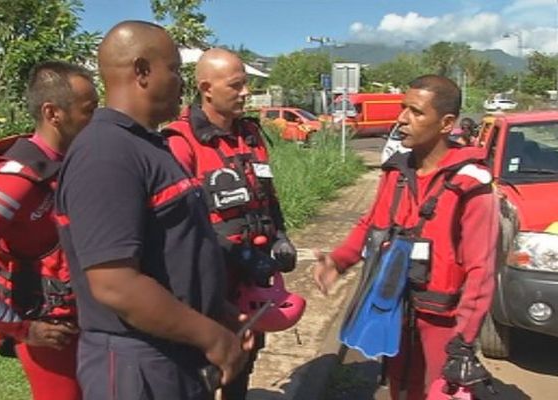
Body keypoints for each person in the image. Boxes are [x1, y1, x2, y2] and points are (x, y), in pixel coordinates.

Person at [54, 21, 251, 400]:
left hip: (171, 351)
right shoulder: (106, 153)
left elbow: (170, 250)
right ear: (142, 71)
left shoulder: (147, 144)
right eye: (175, 69)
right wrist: (210, 336)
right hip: (136, 364)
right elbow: (115, 284)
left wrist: (215, 309)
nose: (181, 82)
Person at [313, 75, 498, 399]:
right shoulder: (395, 172)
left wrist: (463, 342)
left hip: (442, 320)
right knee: (399, 389)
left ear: (446, 123)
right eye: (402, 108)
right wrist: (338, 261)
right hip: (394, 307)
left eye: (415, 111)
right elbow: (371, 224)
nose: (401, 118)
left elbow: (481, 272)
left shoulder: (471, 183)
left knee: (437, 391)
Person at [0, 60, 98, 400]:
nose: (96, 119)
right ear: (53, 112)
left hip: (91, 325)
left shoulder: (73, 165)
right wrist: (21, 329)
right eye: (89, 110)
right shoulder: (14, 180)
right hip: (52, 333)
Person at [165, 47, 299, 400]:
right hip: (209, 279)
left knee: (245, 357)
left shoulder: (251, 135)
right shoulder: (181, 141)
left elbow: (268, 196)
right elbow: (180, 225)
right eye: (236, 85)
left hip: (254, 276)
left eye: (247, 85)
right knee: (205, 368)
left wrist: (280, 236)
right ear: (206, 88)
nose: (245, 93)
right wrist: (232, 253)